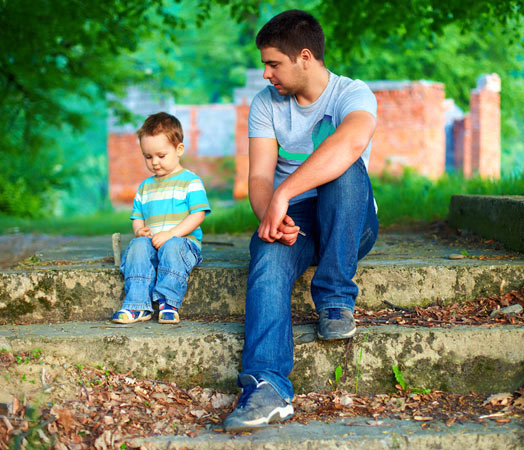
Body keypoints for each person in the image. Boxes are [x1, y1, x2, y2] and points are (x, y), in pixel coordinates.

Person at [223, 10, 379, 431]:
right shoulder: (265, 104)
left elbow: (351, 142)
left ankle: (335, 298)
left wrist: (284, 192)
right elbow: (259, 177)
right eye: (265, 65)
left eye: (273, 64)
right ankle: (267, 387)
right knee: (268, 259)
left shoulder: (352, 93)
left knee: (343, 166)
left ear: (305, 57)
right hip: (293, 219)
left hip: (350, 217)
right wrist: (271, 217)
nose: (266, 74)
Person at [112, 112, 211, 325]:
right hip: (153, 245)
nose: (154, 162)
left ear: (179, 150)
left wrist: (171, 234)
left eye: (161, 155)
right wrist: (139, 230)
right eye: (148, 157)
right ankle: (137, 304)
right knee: (137, 245)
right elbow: (138, 216)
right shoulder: (145, 187)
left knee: (173, 246)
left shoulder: (190, 182)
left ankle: (168, 303)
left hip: (183, 244)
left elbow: (198, 214)